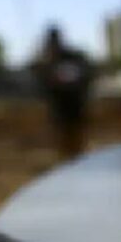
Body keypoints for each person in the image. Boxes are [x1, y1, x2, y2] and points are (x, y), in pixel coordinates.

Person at [33, 26, 93, 158]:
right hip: (61, 105)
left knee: (74, 135)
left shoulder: (70, 57)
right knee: (63, 135)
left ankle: (75, 158)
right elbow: (43, 83)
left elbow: (85, 76)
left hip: (73, 102)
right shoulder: (48, 60)